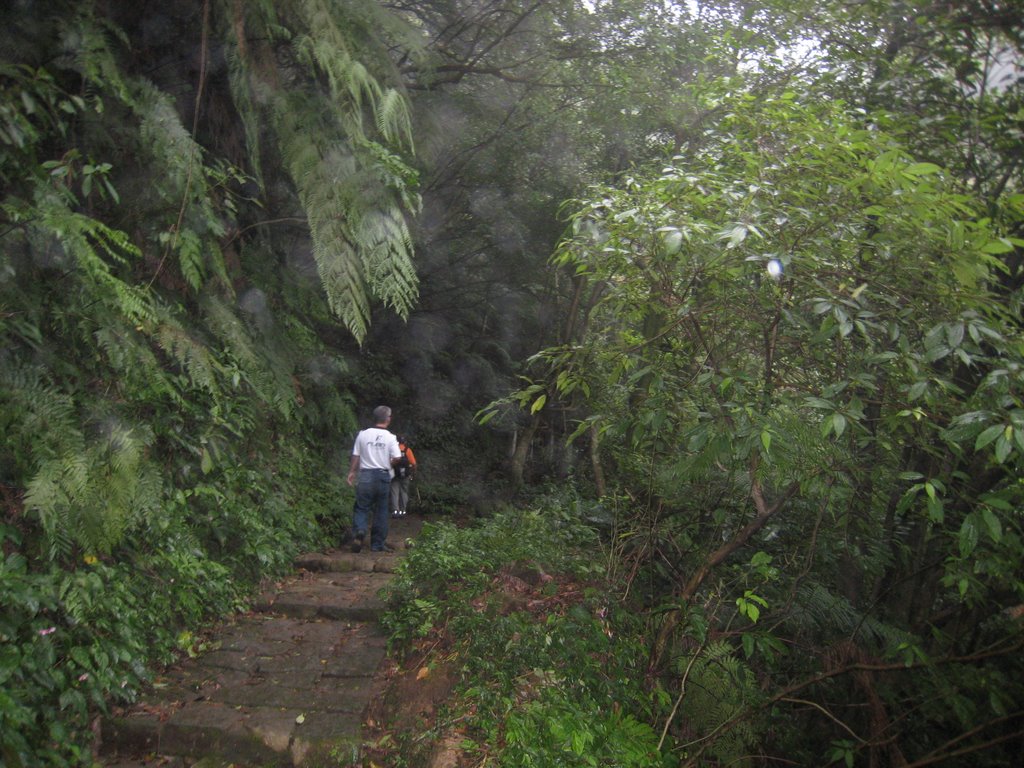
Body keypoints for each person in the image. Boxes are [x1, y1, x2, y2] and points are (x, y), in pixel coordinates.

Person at [346, 405, 401, 552]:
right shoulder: (390, 437)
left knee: (361, 507)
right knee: (381, 510)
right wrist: (388, 463)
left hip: (365, 475)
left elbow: (356, 455)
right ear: (387, 419)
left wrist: (352, 472)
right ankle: (377, 544)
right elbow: (397, 457)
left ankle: (360, 531)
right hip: (382, 475)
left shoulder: (363, 435)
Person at [389, 436, 417, 517]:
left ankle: (395, 511)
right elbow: (414, 464)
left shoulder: (394, 450)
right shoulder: (408, 450)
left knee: (395, 492)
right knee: (404, 492)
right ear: (405, 442)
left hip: (395, 475)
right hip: (405, 475)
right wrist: (413, 473)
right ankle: (403, 510)